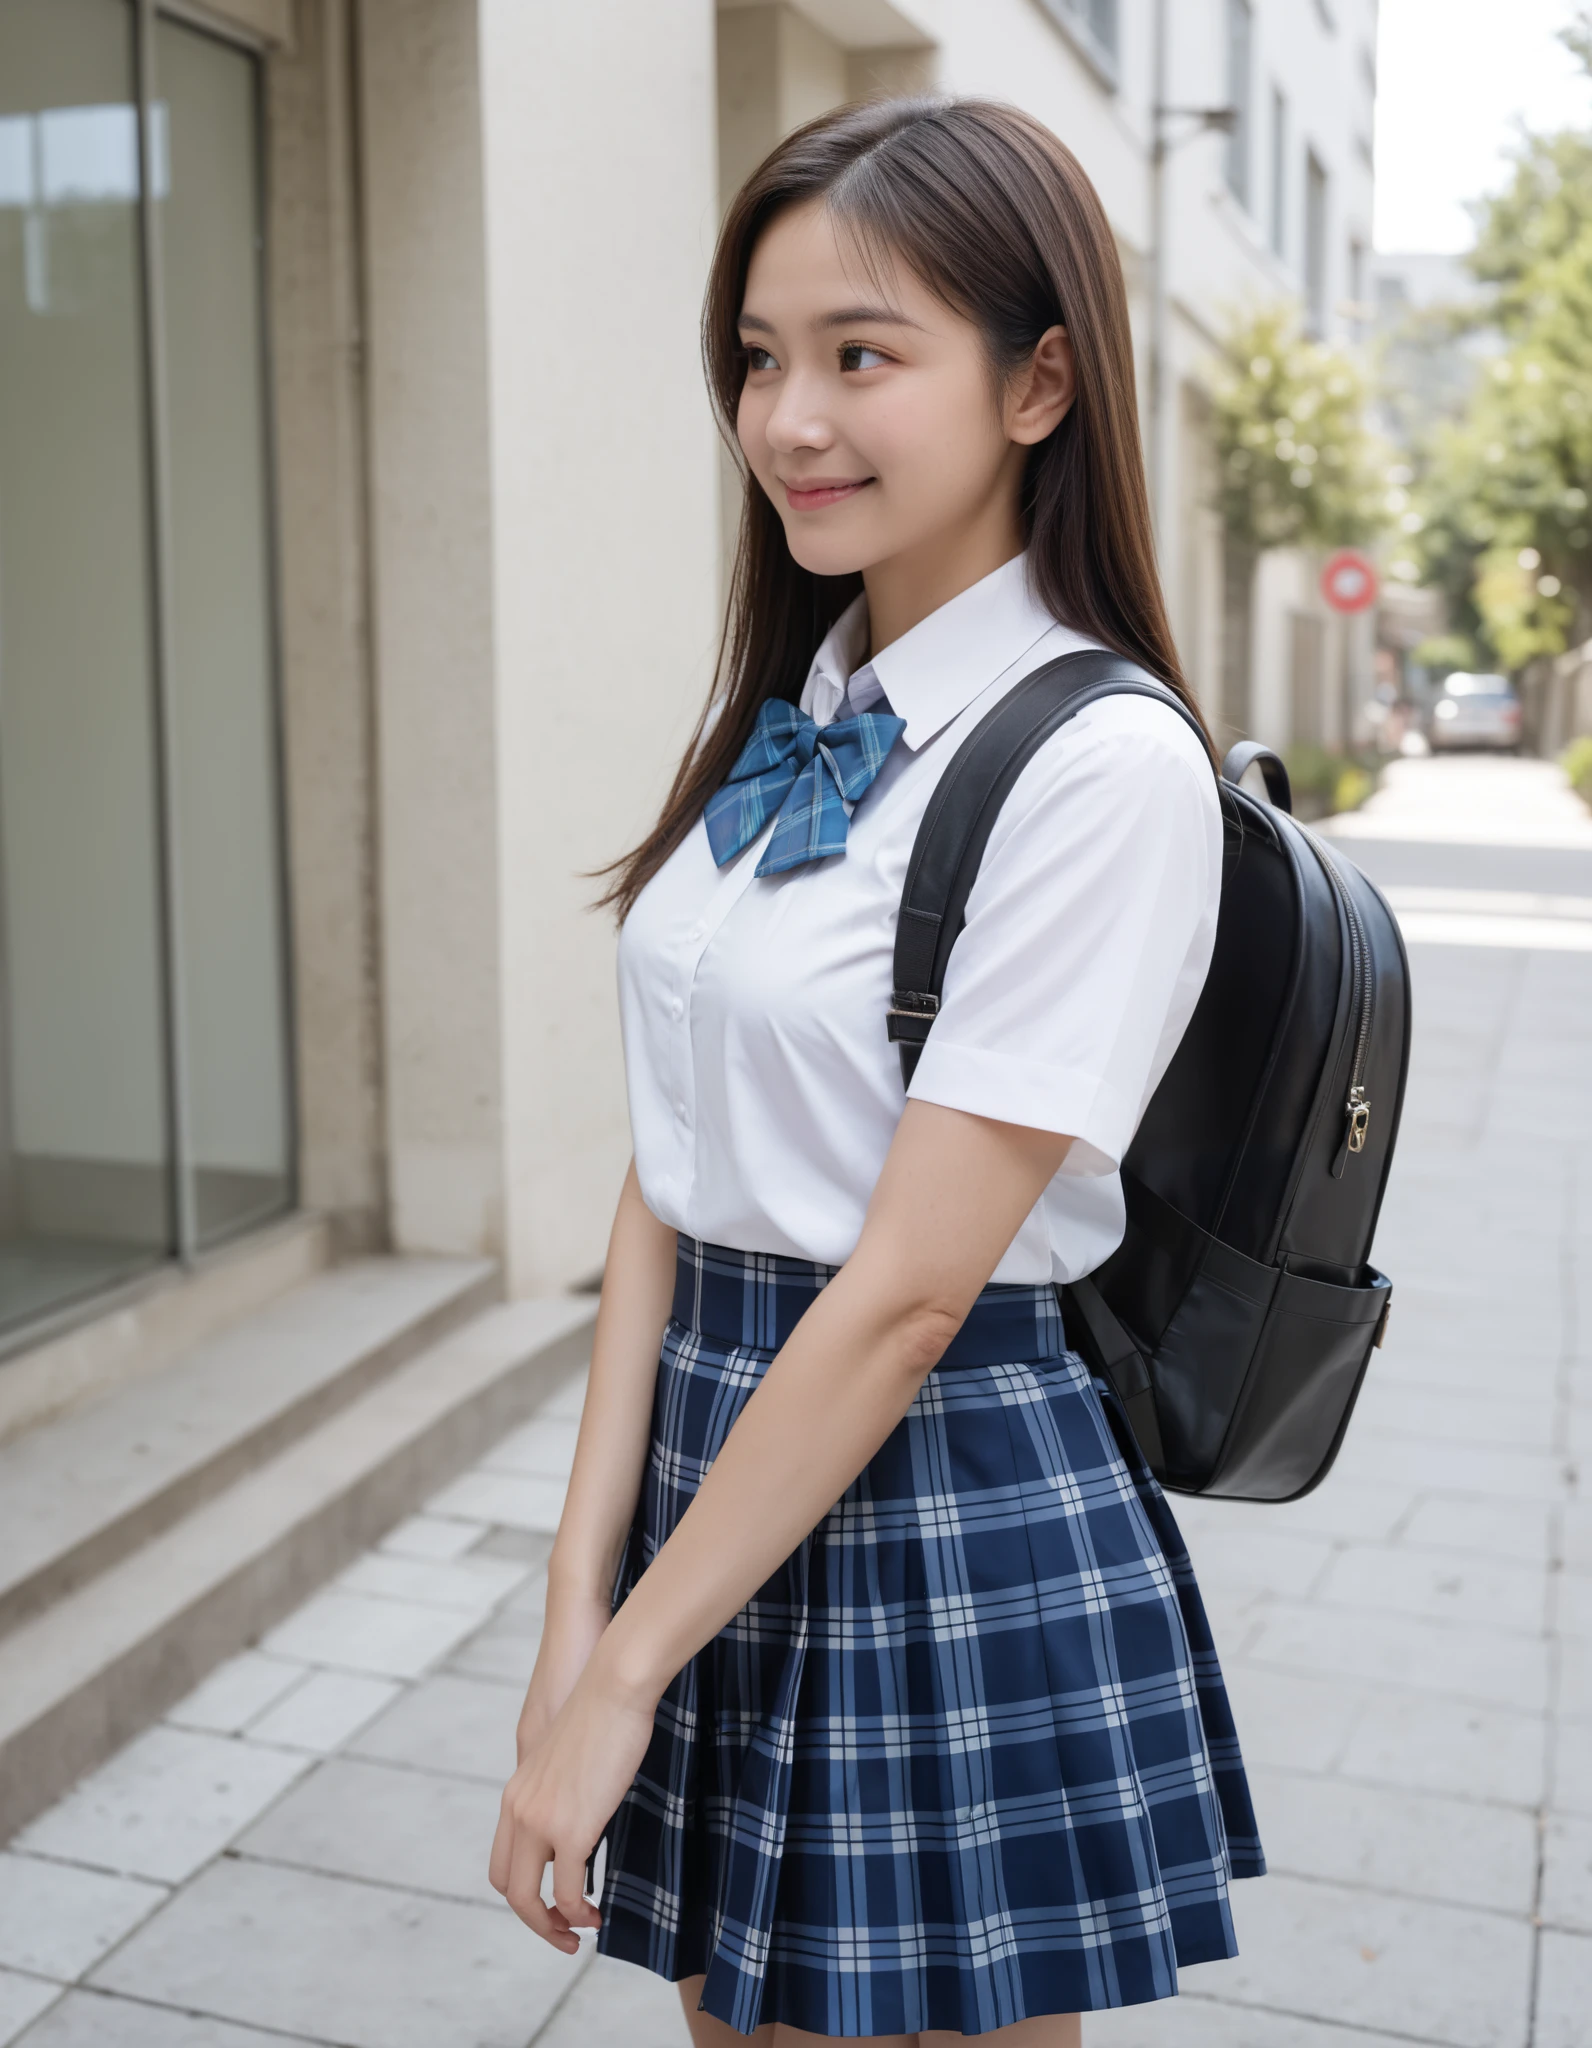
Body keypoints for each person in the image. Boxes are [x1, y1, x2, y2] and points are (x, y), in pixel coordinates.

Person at [489, 95, 1263, 2046]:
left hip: (928, 1486)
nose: (786, 421)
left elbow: (915, 1287)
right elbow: (669, 1164)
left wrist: (626, 1666)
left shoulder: (1096, 763)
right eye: (757, 359)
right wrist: (577, 1605)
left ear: (1038, 383)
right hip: (720, 1463)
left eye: (861, 355)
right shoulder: (814, 705)